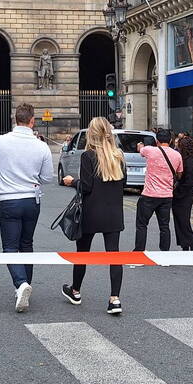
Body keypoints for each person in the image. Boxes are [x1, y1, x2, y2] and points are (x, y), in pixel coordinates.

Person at [0, 103, 54, 313]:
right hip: (31, 200)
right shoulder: (41, 146)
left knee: (10, 247)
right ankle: (26, 283)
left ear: (14, 119)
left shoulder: (1, 142)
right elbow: (47, 178)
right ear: (32, 121)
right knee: (27, 244)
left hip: (9, 200)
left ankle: (20, 284)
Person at [61, 117, 126, 315]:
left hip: (91, 211)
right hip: (114, 212)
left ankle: (76, 290)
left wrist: (72, 181)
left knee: (82, 253)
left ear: (92, 134)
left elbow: (87, 187)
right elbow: (124, 183)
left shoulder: (88, 156)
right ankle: (115, 299)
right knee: (114, 255)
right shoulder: (119, 155)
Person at [134, 128, 183, 250]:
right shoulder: (177, 155)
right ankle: (164, 252)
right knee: (164, 226)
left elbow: (140, 149)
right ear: (171, 140)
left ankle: (139, 251)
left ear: (157, 141)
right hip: (166, 195)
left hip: (149, 194)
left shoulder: (150, 150)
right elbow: (179, 174)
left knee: (142, 225)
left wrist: (140, 145)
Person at [173, 134, 193, 251]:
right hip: (184, 193)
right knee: (181, 221)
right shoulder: (190, 158)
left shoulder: (189, 161)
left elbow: (188, 181)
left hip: (183, 195)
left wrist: (177, 191)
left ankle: (191, 245)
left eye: (179, 145)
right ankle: (185, 245)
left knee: (183, 221)